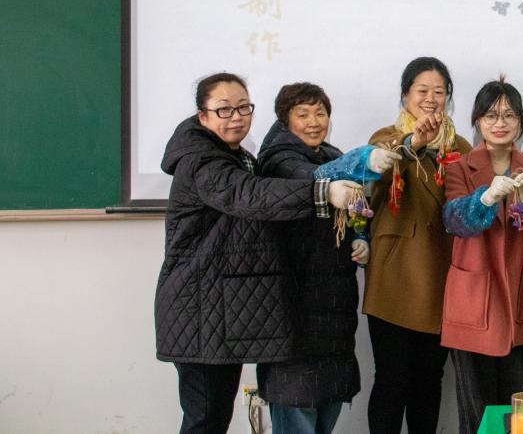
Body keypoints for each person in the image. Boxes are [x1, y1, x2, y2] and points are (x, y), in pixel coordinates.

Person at [154, 73, 380, 434]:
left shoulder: (236, 156)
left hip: (216, 308)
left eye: (243, 107)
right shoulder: (201, 161)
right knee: (205, 419)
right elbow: (250, 195)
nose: (236, 117)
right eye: (224, 110)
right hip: (197, 306)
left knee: (213, 417)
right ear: (203, 115)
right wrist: (322, 193)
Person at [257, 82, 397, 434]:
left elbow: (357, 208)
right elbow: (315, 180)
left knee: (324, 412)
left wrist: (360, 237)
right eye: (302, 114)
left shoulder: (330, 154)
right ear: (285, 120)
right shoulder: (279, 159)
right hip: (293, 308)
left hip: (333, 312)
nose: (313, 122)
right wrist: (365, 159)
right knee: (295, 406)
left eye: (320, 113)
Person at [440, 78, 523, 434]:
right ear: (477, 120)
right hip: (474, 297)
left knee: (517, 406)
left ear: (520, 121)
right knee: (476, 411)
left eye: (509, 115)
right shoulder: (459, 168)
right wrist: (485, 198)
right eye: (491, 115)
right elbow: (454, 220)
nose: (500, 122)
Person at [363, 57, 471, 434]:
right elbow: (373, 181)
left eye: (439, 92)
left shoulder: (460, 146)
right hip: (394, 277)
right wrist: (414, 145)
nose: (430, 98)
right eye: (422, 90)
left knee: (429, 379)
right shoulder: (386, 138)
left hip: (441, 276)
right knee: (392, 378)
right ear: (405, 95)